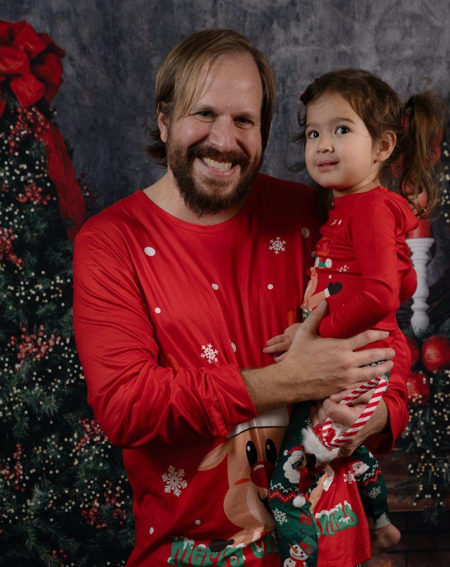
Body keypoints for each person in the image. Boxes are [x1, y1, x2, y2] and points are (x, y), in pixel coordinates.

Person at [73, 30, 406, 567]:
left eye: (244, 121)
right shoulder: (112, 242)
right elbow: (125, 405)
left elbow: (386, 332)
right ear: (164, 119)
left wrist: (381, 416)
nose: (224, 140)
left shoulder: (311, 214)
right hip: (194, 554)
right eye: (203, 114)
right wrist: (288, 380)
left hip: (333, 548)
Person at [264, 69, 448, 566]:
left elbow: (384, 293)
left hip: (356, 359)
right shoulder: (353, 205)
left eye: (342, 130)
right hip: (358, 357)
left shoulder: (367, 207)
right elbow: (403, 281)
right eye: (313, 133)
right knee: (339, 449)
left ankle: (298, 559)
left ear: (383, 145)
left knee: (287, 481)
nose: (323, 145)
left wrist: (312, 332)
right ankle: (382, 526)